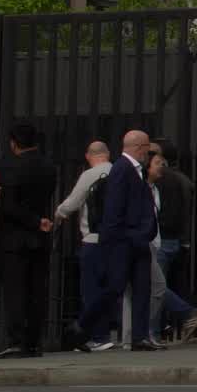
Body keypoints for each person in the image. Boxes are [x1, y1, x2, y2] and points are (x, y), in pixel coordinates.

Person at [73, 129, 158, 353]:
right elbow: (113, 211)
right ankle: (82, 326)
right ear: (139, 147)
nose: (148, 153)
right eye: (147, 148)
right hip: (123, 243)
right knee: (113, 289)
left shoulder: (134, 170)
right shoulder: (122, 169)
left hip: (135, 241)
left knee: (142, 289)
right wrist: (119, 241)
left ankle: (140, 337)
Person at [0, 123, 55, 359]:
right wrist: (39, 221)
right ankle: (34, 342)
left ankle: (16, 341)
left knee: (15, 290)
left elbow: (6, 204)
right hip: (39, 236)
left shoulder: (7, 165)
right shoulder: (48, 165)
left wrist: (33, 220)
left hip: (14, 236)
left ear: (14, 143)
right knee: (37, 290)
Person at [54, 142, 116, 351]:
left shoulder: (91, 175)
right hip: (114, 240)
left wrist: (58, 214)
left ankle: (97, 336)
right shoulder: (118, 172)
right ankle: (107, 332)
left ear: (89, 156)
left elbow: (72, 203)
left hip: (92, 240)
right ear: (107, 154)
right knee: (108, 289)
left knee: (90, 290)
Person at [145, 148, 197, 343]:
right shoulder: (182, 180)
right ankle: (163, 328)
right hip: (174, 239)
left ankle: (156, 331)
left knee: (155, 287)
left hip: (159, 239)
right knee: (160, 285)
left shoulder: (155, 182)